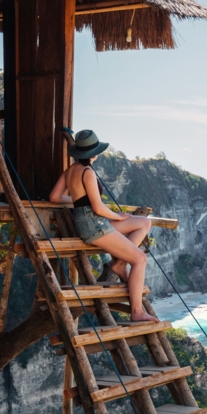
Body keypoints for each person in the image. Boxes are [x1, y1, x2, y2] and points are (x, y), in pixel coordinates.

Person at [49, 130, 157, 323]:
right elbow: (98, 208)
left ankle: (120, 263)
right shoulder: (88, 172)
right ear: (94, 153)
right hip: (94, 225)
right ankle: (136, 311)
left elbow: (55, 197)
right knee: (140, 259)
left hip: (91, 221)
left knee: (144, 222)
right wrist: (118, 216)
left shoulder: (71, 170)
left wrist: (78, 201)